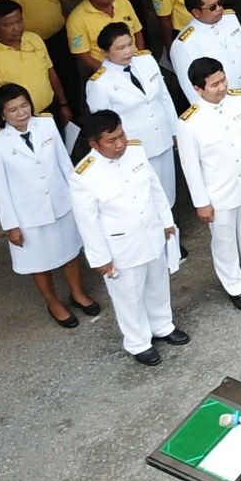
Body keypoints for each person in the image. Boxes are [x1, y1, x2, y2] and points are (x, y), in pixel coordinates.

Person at [68, 109, 186, 366]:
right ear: (94, 144)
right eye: (111, 140)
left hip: (152, 234)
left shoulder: (135, 150)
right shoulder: (84, 176)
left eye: (121, 135)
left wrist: (167, 222)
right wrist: (100, 259)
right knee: (129, 297)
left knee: (158, 284)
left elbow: (154, 188)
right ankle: (138, 342)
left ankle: (162, 325)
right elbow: (88, 223)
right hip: (122, 247)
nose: (120, 143)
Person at [0, 84, 97, 328]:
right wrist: (11, 226)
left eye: (24, 105)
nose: (21, 112)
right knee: (39, 262)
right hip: (28, 215)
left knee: (70, 251)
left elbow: (64, 164)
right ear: (2, 114)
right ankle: (53, 302)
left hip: (60, 203)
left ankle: (77, 292)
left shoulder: (46, 124)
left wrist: (78, 197)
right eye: (13, 109)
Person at [176, 57, 241, 310]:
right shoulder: (189, 123)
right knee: (224, 240)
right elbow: (191, 168)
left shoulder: (239, 100)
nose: (222, 87)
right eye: (214, 84)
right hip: (219, 192)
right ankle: (235, 285)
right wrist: (201, 203)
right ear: (198, 89)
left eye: (223, 80)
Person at [85, 25, 182, 229]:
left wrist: (175, 131)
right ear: (105, 52)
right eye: (120, 48)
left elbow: (164, 97)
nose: (128, 51)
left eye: (130, 44)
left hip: (162, 137)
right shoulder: (99, 83)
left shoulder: (146, 61)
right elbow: (104, 126)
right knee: (146, 198)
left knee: (167, 192)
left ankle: (172, 234)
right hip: (134, 148)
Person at [0, 0, 71, 134]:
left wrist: (63, 104)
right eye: (8, 25)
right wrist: (4, 129)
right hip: (19, 123)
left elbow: (51, 73)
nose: (16, 28)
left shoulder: (34, 39)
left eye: (19, 21)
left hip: (49, 113)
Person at [170, 0, 241, 105]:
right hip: (221, 104)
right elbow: (191, 88)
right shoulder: (184, 44)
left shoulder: (230, 19)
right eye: (212, 7)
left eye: (219, 3)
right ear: (196, 12)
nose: (219, 8)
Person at [64, 0, 143, 78]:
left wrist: (140, 60)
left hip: (136, 66)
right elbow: (83, 55)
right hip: (106, 74)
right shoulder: (76, 20)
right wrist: (111, 74)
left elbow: (137, 32)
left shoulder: (122, 1)